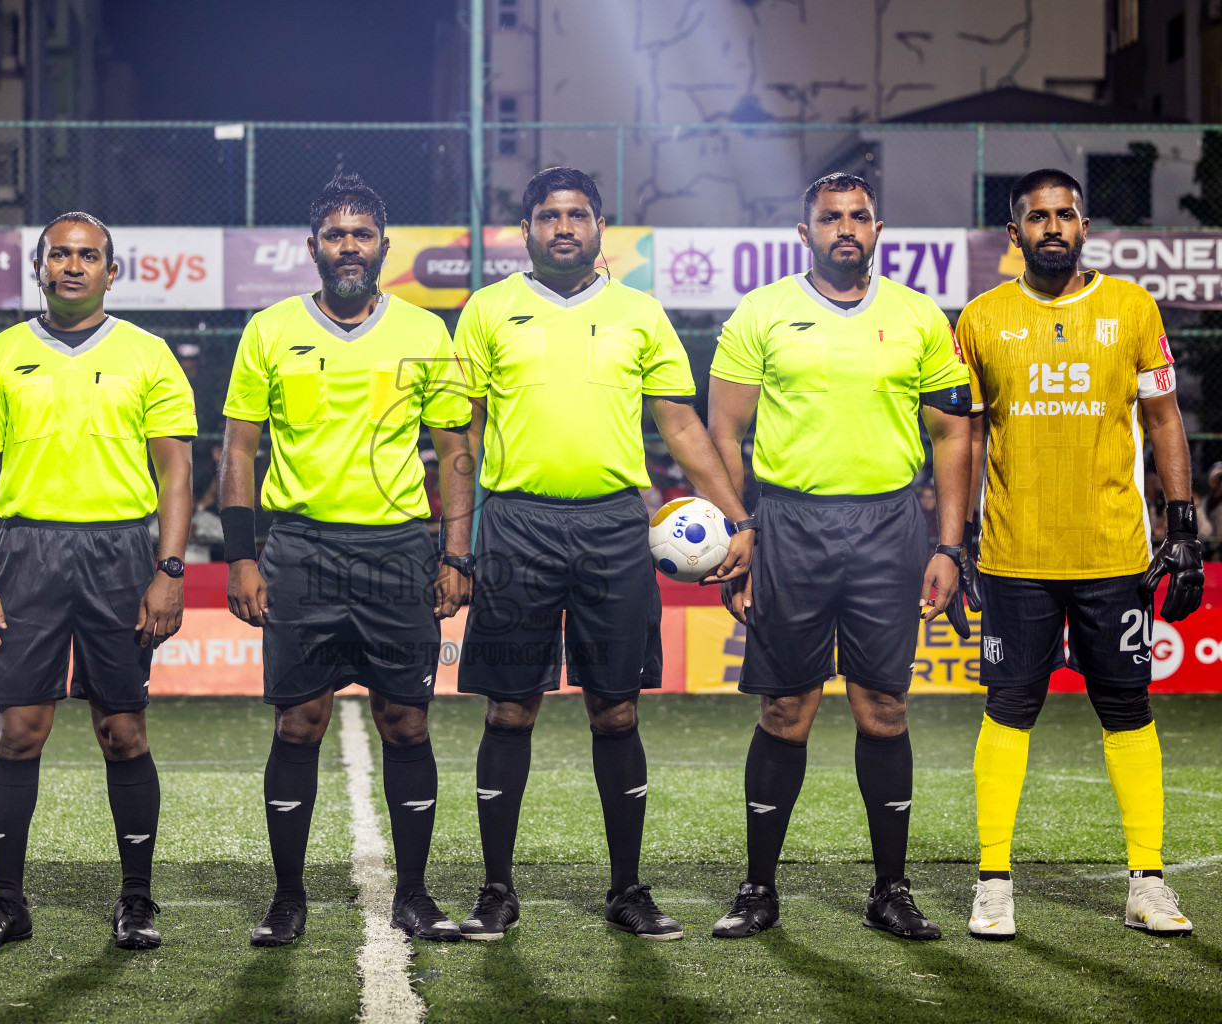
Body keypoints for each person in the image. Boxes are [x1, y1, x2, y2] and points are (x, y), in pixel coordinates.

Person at [453, 167, 754, 942]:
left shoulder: (639, 313)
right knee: (510, 707)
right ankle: (495, 890)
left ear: (598, 228)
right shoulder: (487, 310)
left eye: (578, 214)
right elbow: (460, 436)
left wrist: (735, 517)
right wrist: (457, 545)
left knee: (615, 708)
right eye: (548, 215)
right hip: (516, 525)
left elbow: (682, 428)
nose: (563, 226)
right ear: (524, 230)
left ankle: (627, 889)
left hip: (616, 527)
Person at [707, 172, 972, 941]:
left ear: (878, 229)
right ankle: (759, 888)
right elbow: (723, 429)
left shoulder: (920, 316)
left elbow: (954, 435)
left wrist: (949, 545)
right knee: (786, 709)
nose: (845, 228)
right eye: (830, 218)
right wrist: (742, 526)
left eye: (858, 216)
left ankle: (890, 890)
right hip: (789, 524)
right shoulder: (763, 313)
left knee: (883, 708)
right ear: (805, 233)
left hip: (892, 525)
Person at [221, 174, 475, 946]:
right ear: (312, 248)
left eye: (362, 234)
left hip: (398, 549)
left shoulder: (429, 332)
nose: (349, 247)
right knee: (298, 722)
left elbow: (455, 448)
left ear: (384, 247)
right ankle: (288, 898)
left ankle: (417, 895)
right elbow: (238, 448)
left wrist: (456, 553)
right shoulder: (269, 329)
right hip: (301, 550)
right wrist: (242, 556)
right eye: (335, 235)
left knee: (406, 720)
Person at [956, 168, 1203, 941]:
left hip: (1114, 552)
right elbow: (960, 435)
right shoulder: (978, 319)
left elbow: (1163, 420)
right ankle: (994, 882)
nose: (1053, 227)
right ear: (1015, 234)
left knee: (1128, 709)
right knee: (1008, 709)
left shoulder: (1131, 308)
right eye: (1038, 217)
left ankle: (1148, 881)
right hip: (1013, 554)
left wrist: (1184, 527)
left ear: (1085, 226)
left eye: (1066, 215)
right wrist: (955, 537)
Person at [0, 212, 196, 951]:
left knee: (122, 731)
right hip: (25, 554)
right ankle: (5, 900)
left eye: (89, 256)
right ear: (40, 266)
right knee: (20, 730)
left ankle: (137, 900)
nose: (74, 266)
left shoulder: (149, 355)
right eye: (60, 254)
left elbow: (176, 467)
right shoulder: (0, 355)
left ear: (111, 272)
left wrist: (170, 571)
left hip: (121, 553)